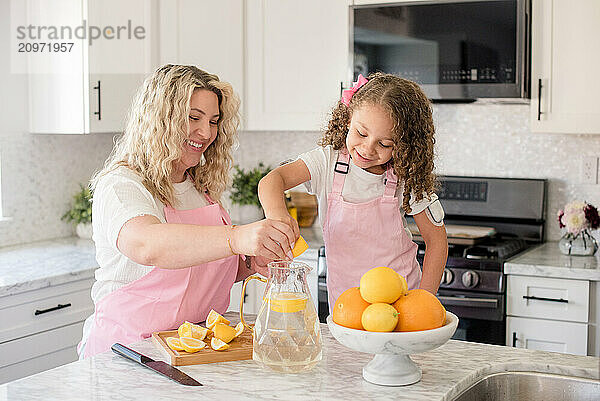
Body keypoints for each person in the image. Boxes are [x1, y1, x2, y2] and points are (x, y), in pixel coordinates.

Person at [78, 65, 295, 358]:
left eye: (214, 121)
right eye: (193, 117)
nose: (206, 133)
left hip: (191, 348)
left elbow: (196, 275)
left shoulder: (198, 188)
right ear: (159, 119)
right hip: (127, 353)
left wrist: (249, 263)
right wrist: (236, 237)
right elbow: (149, 245)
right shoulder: (121, 184)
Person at [258, 73, 448, 310]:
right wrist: (279, 217)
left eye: (385, 144)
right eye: (361, 133)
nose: (367, 148)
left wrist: (424, 302)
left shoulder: (405, 173)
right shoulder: (327, 162)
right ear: (348, 119)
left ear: (403, 145)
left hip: (402, 302)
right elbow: (271, 181)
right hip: (347, 307)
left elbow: (437, 241)